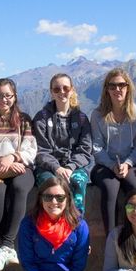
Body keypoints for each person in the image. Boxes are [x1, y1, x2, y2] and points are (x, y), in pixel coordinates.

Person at [0, 78, 37, 271]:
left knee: (20, 188)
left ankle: (6, 245)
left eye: (8, 95)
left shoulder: (24, 120)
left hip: (21, 168)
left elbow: (31, 149)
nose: (4, 99)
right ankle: (8, 246)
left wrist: (12, 158)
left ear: (15, 97)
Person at [90, 68, 136, 234]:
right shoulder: (98, 115)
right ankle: (112, 239)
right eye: (113, 86)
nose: (117, 89)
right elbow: (97, 147)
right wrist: (111, 165)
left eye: (121, 85)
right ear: (106, 90)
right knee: (110, 188)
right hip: (104, 165)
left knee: (135, 187)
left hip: (132, 163)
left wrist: (128, 164)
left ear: (128, 87)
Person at [33, 73, 93, 214]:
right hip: (48, 168)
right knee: (51, 188)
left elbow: (85, 149)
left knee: (78, 182)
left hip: (74, 166)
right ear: (51, 92)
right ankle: (50, 226)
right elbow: (41, 150)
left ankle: (76, 223)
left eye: (65, 88)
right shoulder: (41, 118)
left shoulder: (81, 119)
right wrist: (56, 168)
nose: (62, 92)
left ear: (71, 90)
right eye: (57, 89)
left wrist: (70, 167)